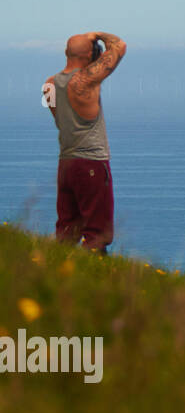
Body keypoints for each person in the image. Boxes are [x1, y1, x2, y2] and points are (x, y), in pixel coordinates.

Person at [44, 31, 127, 252]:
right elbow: (119, 46)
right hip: (91, 163)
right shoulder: (86, 80)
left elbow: (59, 118)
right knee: (97, 234)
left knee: (66, 231)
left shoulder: (48, 85)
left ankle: (59, 272)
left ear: (65, 53)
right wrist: (98, 34)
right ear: (92, 55)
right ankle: (99, 277)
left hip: (66, 164)